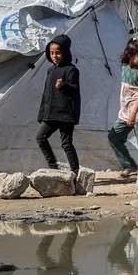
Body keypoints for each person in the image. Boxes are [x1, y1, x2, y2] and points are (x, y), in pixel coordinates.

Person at [108, 39, 138, 178]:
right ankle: (129, 165)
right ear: (130, 55)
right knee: (114, 137)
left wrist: (133, 114)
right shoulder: (124, 67)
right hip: (125, 112)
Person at [36, 34, 81, 173]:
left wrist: (64, 85)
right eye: (52, 53)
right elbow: (46, 94)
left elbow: (75, 89)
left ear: (65, 52)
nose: (55, 56)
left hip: (66, 114)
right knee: (40, 137)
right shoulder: (50, 71)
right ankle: (53, 167)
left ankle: (75, 172)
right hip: (51, 113)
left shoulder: (71, 70)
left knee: (66, 144)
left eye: (58, 53)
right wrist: (42, 113)